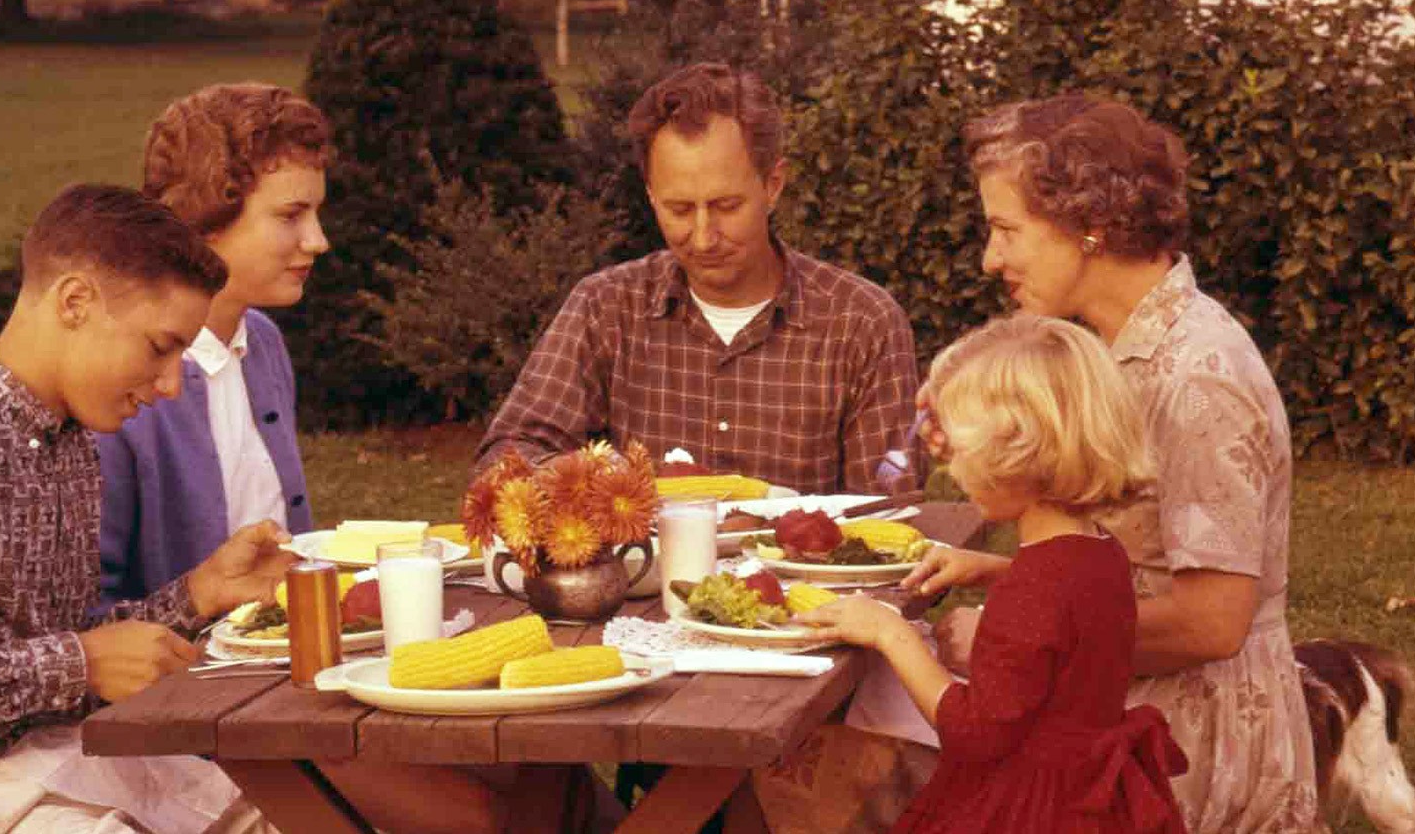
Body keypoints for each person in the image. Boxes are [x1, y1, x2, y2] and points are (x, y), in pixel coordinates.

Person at [0, 183, 296, 833]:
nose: (169, 383)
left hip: (63, 768)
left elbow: (64, 638)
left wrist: (200, 592)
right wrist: (82, 662)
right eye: (161, 346)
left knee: (293, 811)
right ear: (74, 301)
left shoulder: (71, 444)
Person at [909, 93, 1324, 831]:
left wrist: (1012, 643)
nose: (989, 258)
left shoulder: (1196, 377)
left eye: (1006, 230)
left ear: (1089, 226)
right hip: (1109, 724)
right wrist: (1005, 573)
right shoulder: (1118, 344)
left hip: (1182, 753)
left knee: (869, 764)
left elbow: (1212, 622)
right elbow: (1122, 574)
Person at [798, 316, 1189, 834]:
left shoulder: (1033, 593)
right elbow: (1073, 610)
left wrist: (889, 633)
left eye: (962, 453)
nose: (953, 471)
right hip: (1087, 796)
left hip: (1024, 811)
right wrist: (994, 570)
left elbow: (973, 732)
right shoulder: (1098, 550)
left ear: (1018, 459)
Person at [478, 63, 919, 496]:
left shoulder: (862, 322)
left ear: (774, 185)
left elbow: (887, 509)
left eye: (726, 206)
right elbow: (504, 462)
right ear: (650, 195)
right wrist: (578, 472)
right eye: (680, 210)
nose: (704, 238)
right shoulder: (606, 306)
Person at [99, 83, 333, 609]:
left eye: (316, 214)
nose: (318, 240)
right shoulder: (122, 379)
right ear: (205, 221)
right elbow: (86, 612)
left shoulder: (264, 346)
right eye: (290, 215)